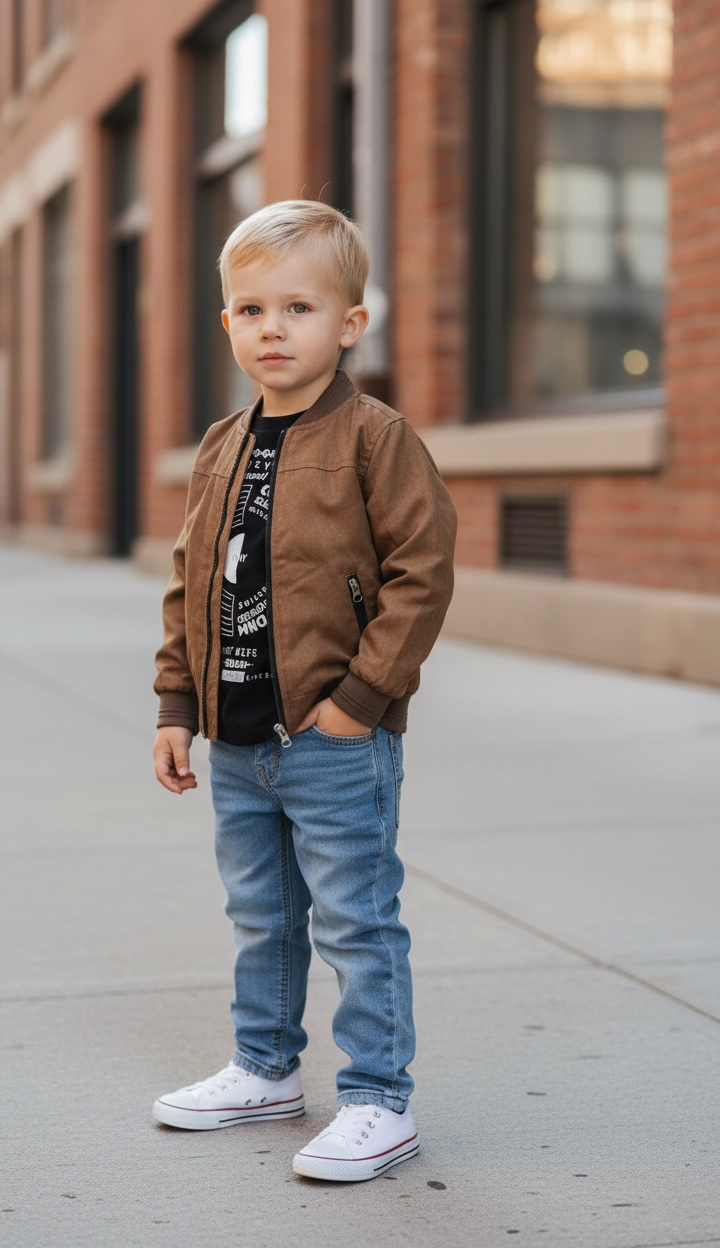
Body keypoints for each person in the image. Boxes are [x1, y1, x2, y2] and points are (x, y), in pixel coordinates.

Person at [151, 200, 457, 1182]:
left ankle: (377, 1099)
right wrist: (177, 706)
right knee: (261, 916)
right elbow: (191, 579)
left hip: (333, 739)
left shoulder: (376, 439)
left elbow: (421, 574)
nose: (272, 329)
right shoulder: (221, 444)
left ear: (350, 323)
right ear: (227, 324)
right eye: (251, 310)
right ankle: (265, 1068)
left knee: (356, 921)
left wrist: (359, 702)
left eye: (298, 307)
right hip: (238, 739)